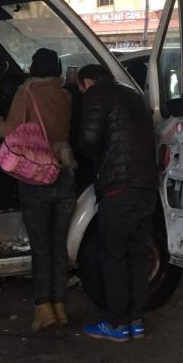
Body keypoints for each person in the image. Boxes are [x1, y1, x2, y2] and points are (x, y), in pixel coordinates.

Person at [0, 48, 76, 332]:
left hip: (36, 177)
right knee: (59, 245)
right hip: (64, 173)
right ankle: (60, 307)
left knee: (41, 246)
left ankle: (42, 309)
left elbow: (10, 131)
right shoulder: (66, 95)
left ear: (33, 69)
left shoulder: (27, 93)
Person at [74, 64, 158, 342]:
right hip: (146, 189)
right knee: (137, 255)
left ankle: (116, 324)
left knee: (113, 257)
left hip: (118, 190)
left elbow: (88, 141)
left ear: (87, 81)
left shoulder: (97, 95)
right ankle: (136, 321)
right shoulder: (133, 96)